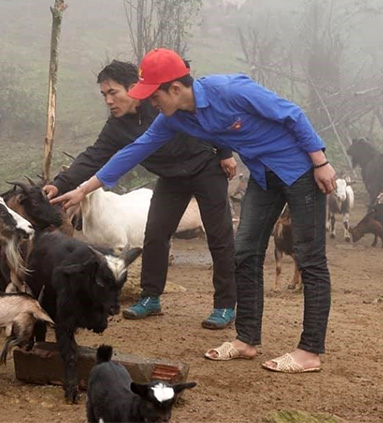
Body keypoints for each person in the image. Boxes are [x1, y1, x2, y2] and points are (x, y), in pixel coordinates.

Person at [52, 49, 336, 373]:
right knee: (245, 252)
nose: (152, 104)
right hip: (262, 174)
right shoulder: (175, 119)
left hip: (300, 169)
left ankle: (310, 350)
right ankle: (246, 340)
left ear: (175, 89)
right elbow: (135, 150)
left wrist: (321, 162)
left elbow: (292, 114)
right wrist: (82, 189)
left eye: (155, 96)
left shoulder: (229, 89)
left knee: (309, 257)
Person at [43, 60, 238, 329]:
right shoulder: (116, 127)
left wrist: (225, 153)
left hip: (205, 167)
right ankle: (150, 298)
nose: (109, 101)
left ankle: (225, 304)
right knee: (155, 235)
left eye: (113, 93)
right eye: (104, 95)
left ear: (133, 88)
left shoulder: (160, 101)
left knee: (219, 237)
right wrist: (60, 183)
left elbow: (205, 117)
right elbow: (93, 156)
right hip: (170, 178)